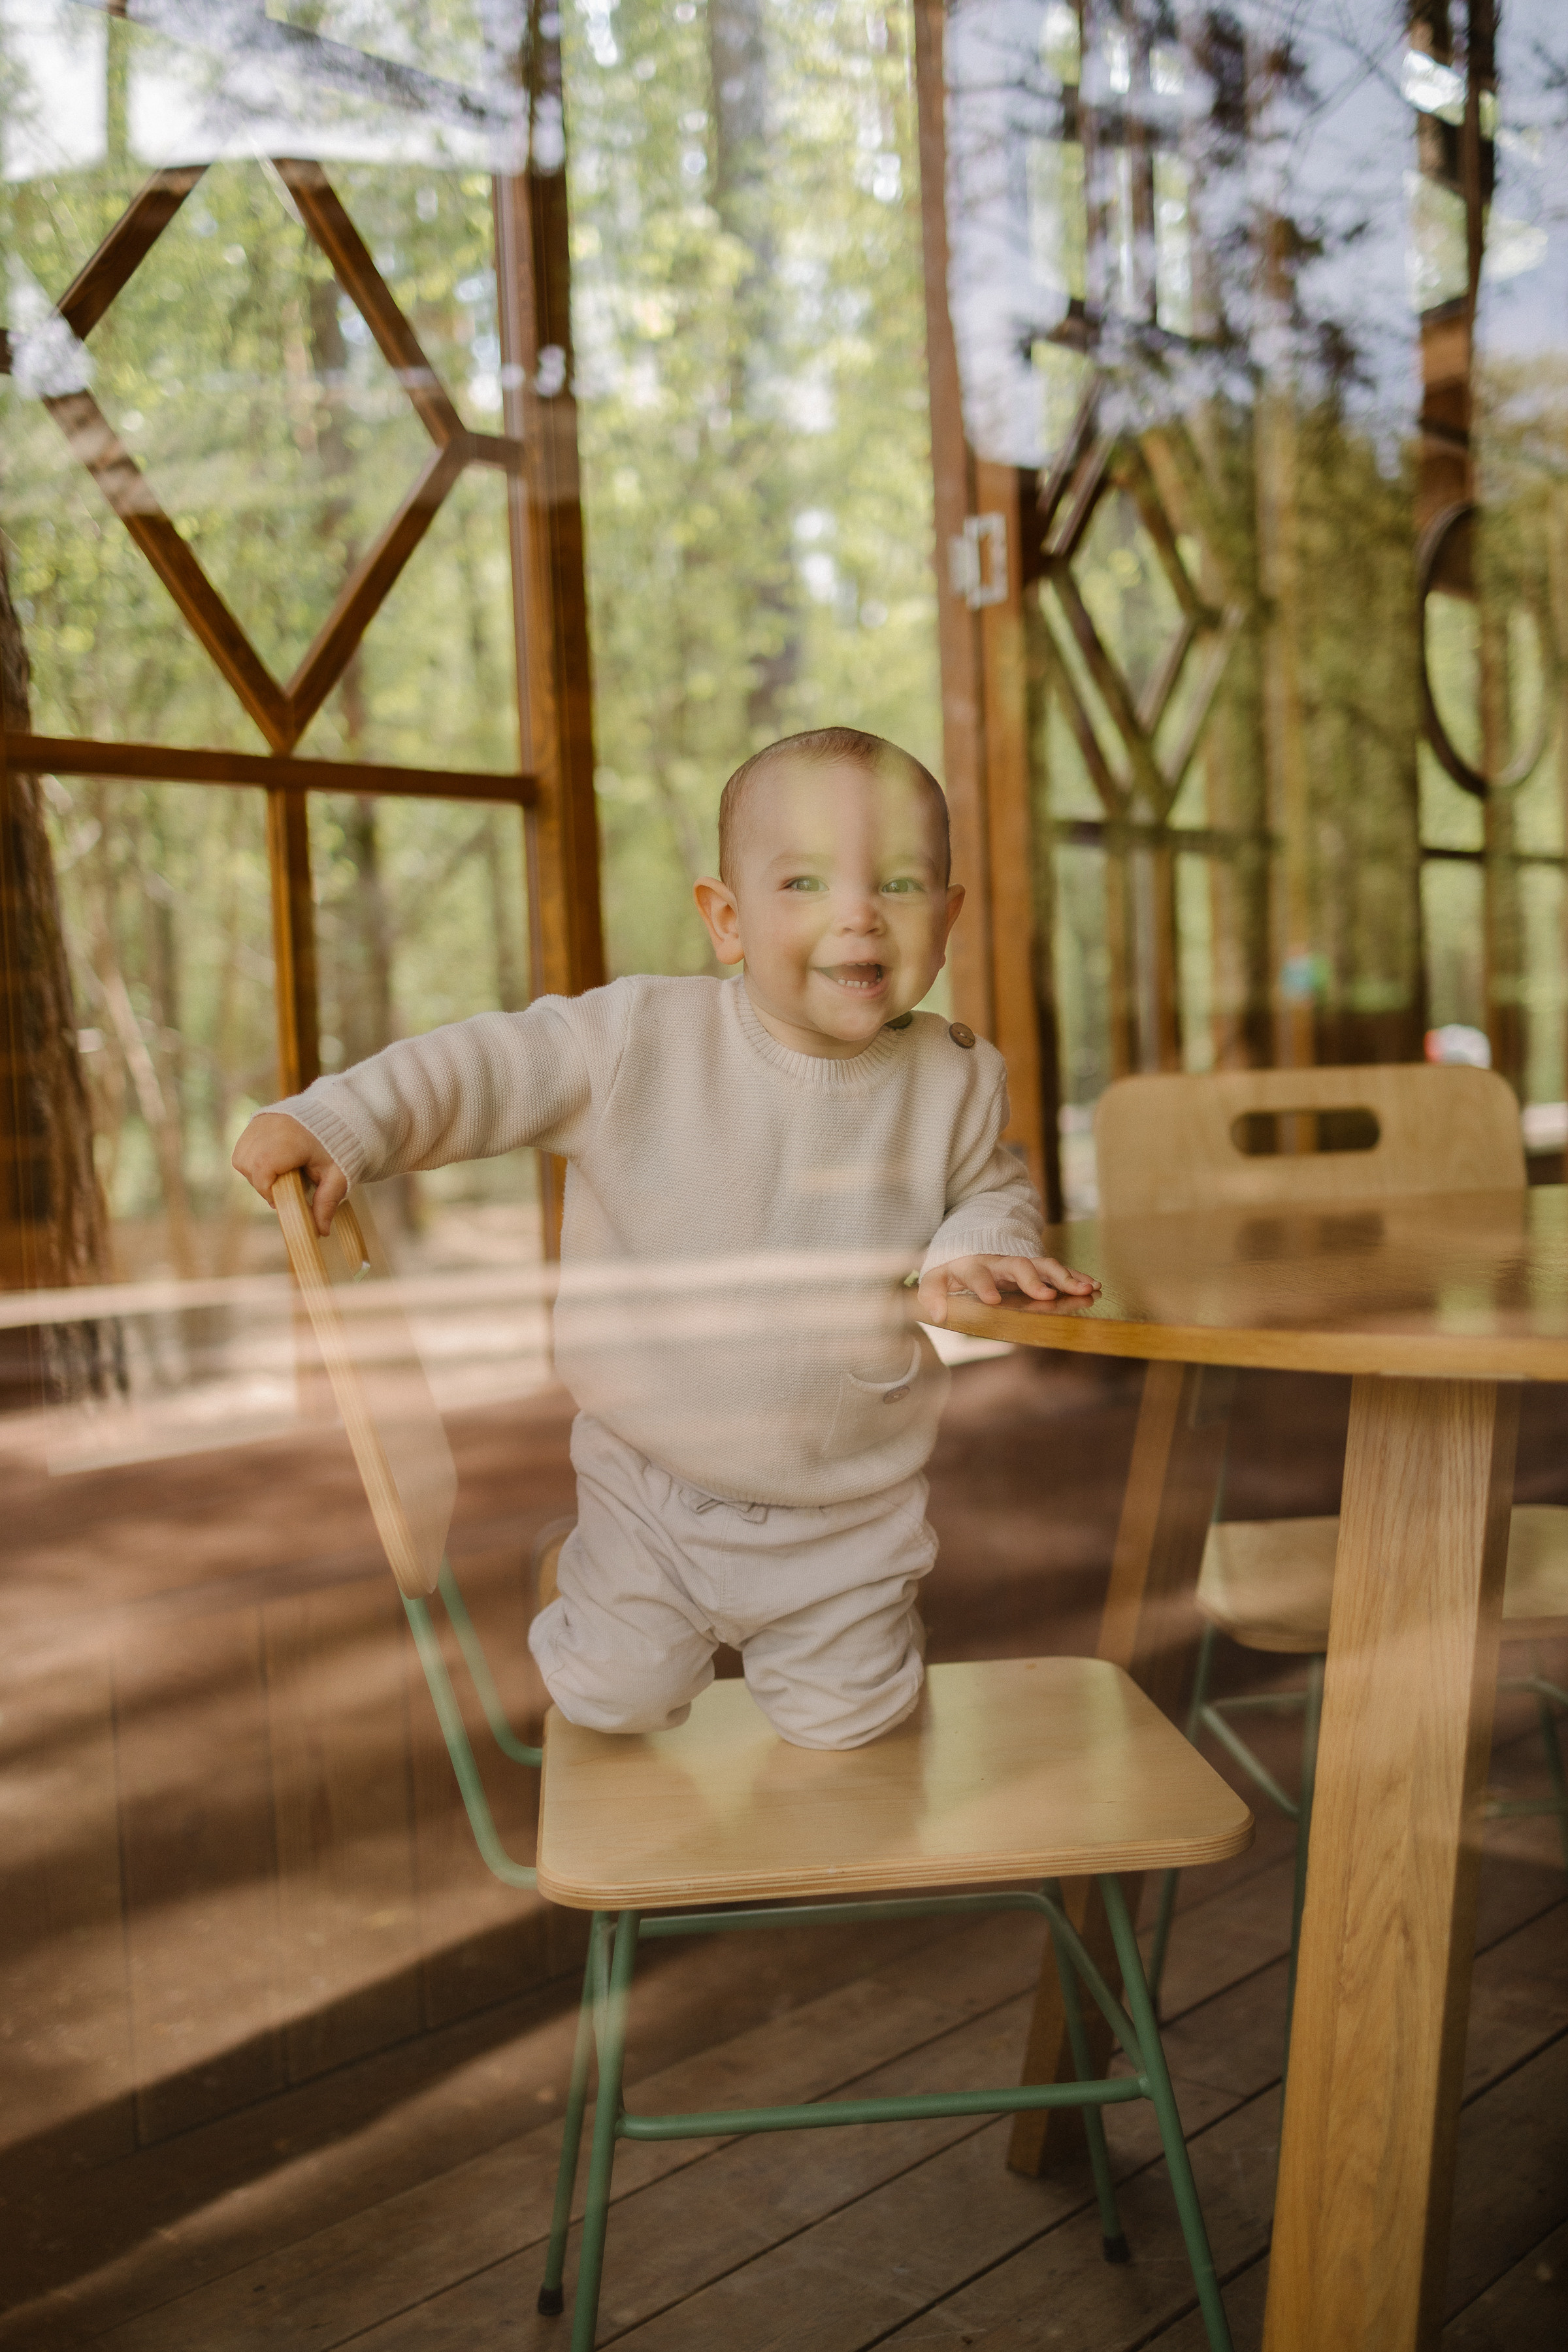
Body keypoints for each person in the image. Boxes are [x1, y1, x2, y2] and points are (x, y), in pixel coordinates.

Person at [233, 727, 1098, 1749]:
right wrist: (345, 1120)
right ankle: (591, 1578)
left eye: (902, 883)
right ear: (727, 921)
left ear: (948, 919)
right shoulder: (639, 1040)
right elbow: (485, 1068)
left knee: (857, 1727)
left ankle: (814, 1692)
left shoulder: (955, 1077)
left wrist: (978, 1245)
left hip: (851, 1508)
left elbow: (990, 1188)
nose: (860, 912)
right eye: (807, 882)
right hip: (650, 1483)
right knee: (613, 1696)